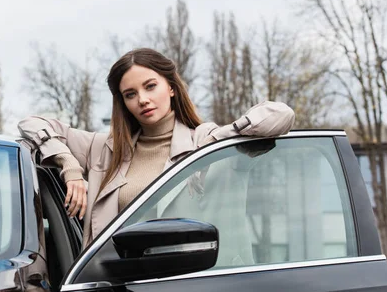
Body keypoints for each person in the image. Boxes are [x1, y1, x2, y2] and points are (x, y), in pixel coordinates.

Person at [19, 48, 295, 248]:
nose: (143, 100)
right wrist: (69, 165)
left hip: (190, 289)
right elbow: (30, 124)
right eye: (131, 94)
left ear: (171, 88)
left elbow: (279, 115)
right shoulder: (102, 148)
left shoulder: (205, 141)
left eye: (151, 86)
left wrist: (222, 138)